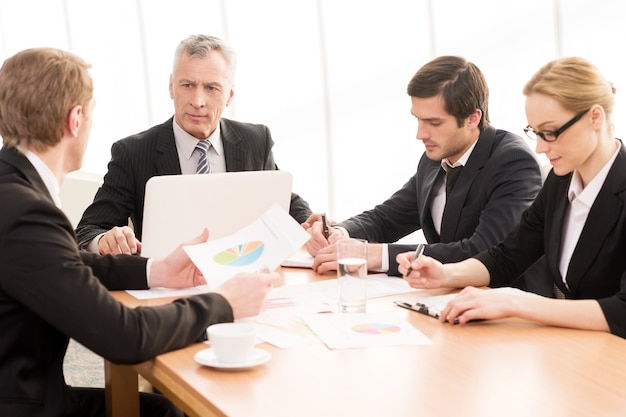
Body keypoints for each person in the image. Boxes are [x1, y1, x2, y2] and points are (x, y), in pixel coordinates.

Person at [0, 47, 280, 417]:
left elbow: (63, 263)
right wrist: (225, 304)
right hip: (24, 404)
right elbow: (125, 337)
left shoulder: (13, 190)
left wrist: (156, 270)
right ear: (76, 119)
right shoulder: (27, 211)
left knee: (163, 410)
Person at [397, 57, 626, 339]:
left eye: (551, 133)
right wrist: (445, 274)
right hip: (584, 348)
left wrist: (516, 303)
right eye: (535, 132)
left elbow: (622, 310)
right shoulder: (561, 181)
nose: (540, 147)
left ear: (595, 117)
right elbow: (507, 256)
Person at [75, 34, 312, 255]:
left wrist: (313, 224)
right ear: (171, 87)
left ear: (229, 94)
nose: (197, 101)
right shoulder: (132, 152)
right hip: (170, 285)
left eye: (211, 88)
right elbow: (88, 230)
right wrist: (105, 240)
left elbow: (283, 203)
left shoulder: (255, 140)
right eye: (187, 85)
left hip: (244, 270)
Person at [305, 56, 542, 276]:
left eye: (434, 122)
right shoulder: (435, 157)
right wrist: (340, 235)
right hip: (445, 298)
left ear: (472, 118)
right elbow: (387, 218)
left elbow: (484, 250)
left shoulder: (513, 163)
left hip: (503, 303)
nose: (420, 134)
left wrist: (374, 255)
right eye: (417, 119)